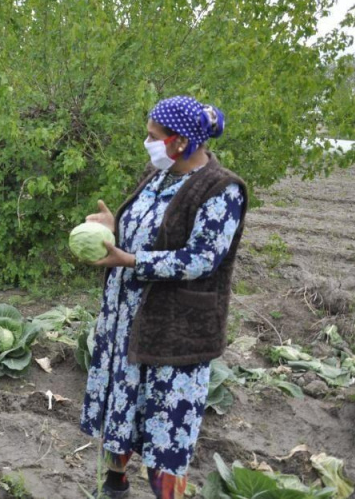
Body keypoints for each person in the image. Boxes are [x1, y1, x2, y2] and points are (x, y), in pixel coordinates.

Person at [79, 96, 248, 499]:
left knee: (166, 431)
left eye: (153, 136)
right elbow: (151, 231)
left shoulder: (222, 190)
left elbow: (201, 258)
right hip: (127, 321)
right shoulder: (160, 174)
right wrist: (111, 228)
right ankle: (114, 486)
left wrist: (131, 259)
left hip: (175, 331)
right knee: (121, 411)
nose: (147, 143)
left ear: (179, 142)